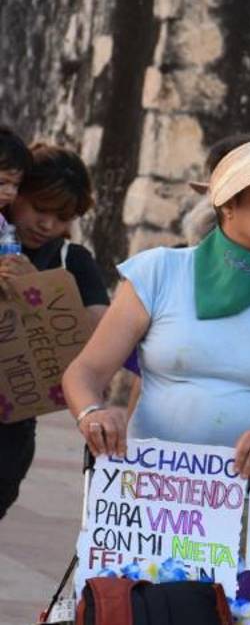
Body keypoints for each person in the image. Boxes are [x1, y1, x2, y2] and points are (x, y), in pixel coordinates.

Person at [62, 134, 250, 611]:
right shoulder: (158, 272)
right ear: (229, 205)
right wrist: (93, 411)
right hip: (150, 494)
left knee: (226, 617)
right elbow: (85, 371)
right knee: (132, 613)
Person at [0, 141, 109, 521]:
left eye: (62, 218)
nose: (47, 225)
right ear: (15, 192)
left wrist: (40, 290)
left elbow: (100, 336)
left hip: (10, 428)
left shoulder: (72, 261)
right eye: (40, 209)